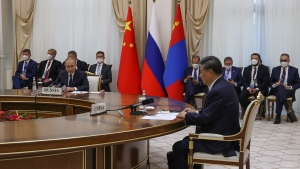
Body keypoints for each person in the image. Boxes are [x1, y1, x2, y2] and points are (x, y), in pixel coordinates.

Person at [170, 56, 240, 169]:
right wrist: (196, 111)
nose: (200, 75)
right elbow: (213, 112)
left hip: (221, 141)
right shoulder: (223, 85)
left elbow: (205, 119)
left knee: (179, 147)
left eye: (202, 72)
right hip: (225, 133)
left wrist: (187, 115)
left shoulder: (218, 90)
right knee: (186, 140)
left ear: (210, 72)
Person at [269, 53, 300, 124]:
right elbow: (270, 81)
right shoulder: (275, 69)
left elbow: (298, 83)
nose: (283, 62)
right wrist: (274, 84)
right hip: (275, 89)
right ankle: (287, 106)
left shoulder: (294, 70)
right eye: (281, 60)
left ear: (289, 61)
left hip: (288, 90)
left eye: (285, 60)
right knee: (280, 86)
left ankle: (278, 116)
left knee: (279, 94)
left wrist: (290, 87)